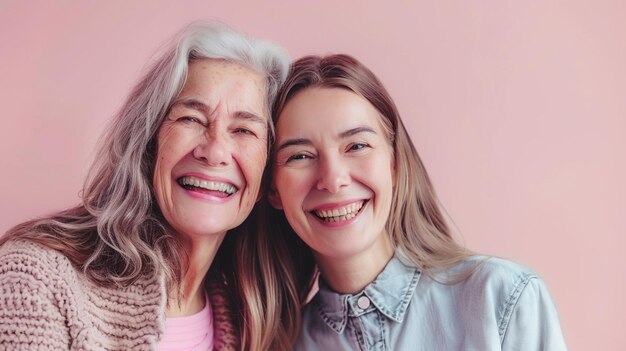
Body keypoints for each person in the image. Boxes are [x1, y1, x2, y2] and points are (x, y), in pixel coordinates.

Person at [0, 22, 297, 350]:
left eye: (243, 130)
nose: (214, 151)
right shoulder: (34, 277)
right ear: (149, 144)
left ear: (268, 175)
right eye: (191, 119)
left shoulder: (254, 323)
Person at [268, 54, 568, 350]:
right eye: (300, 156)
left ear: (395, 163)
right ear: (273, 190)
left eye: (357, 146)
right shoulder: (281, 345)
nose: (332, 180)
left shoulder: (501, 297)